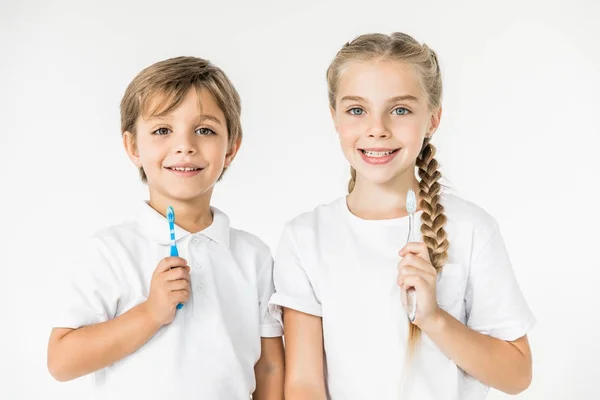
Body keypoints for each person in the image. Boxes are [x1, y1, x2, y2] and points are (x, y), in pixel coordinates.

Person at [269, 32, 535, 400]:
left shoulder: (472, 230)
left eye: (400, 110)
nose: (377, 128)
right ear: (335, 117)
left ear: (433, 119)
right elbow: (303, 383)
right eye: (357, 110)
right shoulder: (306, 237)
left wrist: (433, 318)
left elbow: (517, 374)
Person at [47, 56, 284, 400]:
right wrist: (150, 313)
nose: (184, 145)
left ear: (231, 147)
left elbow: (270, 367)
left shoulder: (253, 255)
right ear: (132, 147)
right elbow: (62, 361)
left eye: (205, 130)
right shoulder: (110, 251)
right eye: (162, 130)